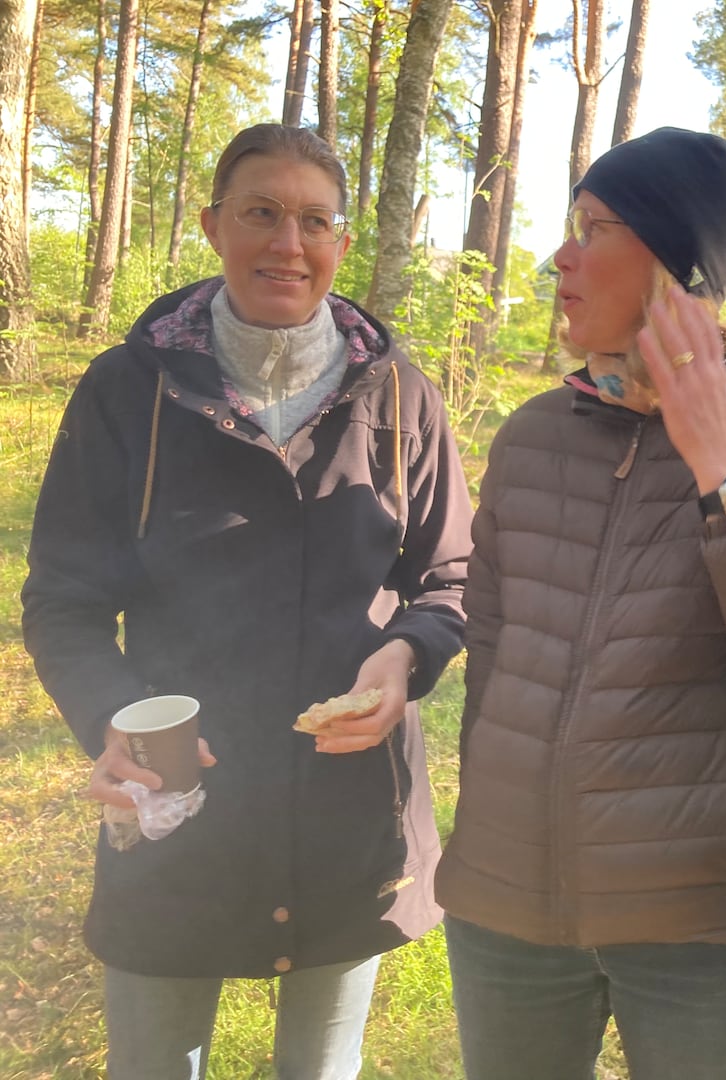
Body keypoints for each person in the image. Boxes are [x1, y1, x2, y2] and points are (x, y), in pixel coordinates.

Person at [21, 124, 472, 1080]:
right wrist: (114, 723)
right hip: (176, 805)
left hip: (350, 819)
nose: (288, 243)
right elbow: (62, 599)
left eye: (315, 220)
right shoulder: (128, 393)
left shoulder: (400, 399)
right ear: (212, 225)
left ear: (342, 243)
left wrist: (408, 658)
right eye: (261, 213)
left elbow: (452, 576)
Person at [434, 126, 726, 1080]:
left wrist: (721, 462)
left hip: (696, 930)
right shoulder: (534, 436)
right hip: (509, 913)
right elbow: (496, 656)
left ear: (680, 270)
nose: (560, 256)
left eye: (593, 228)